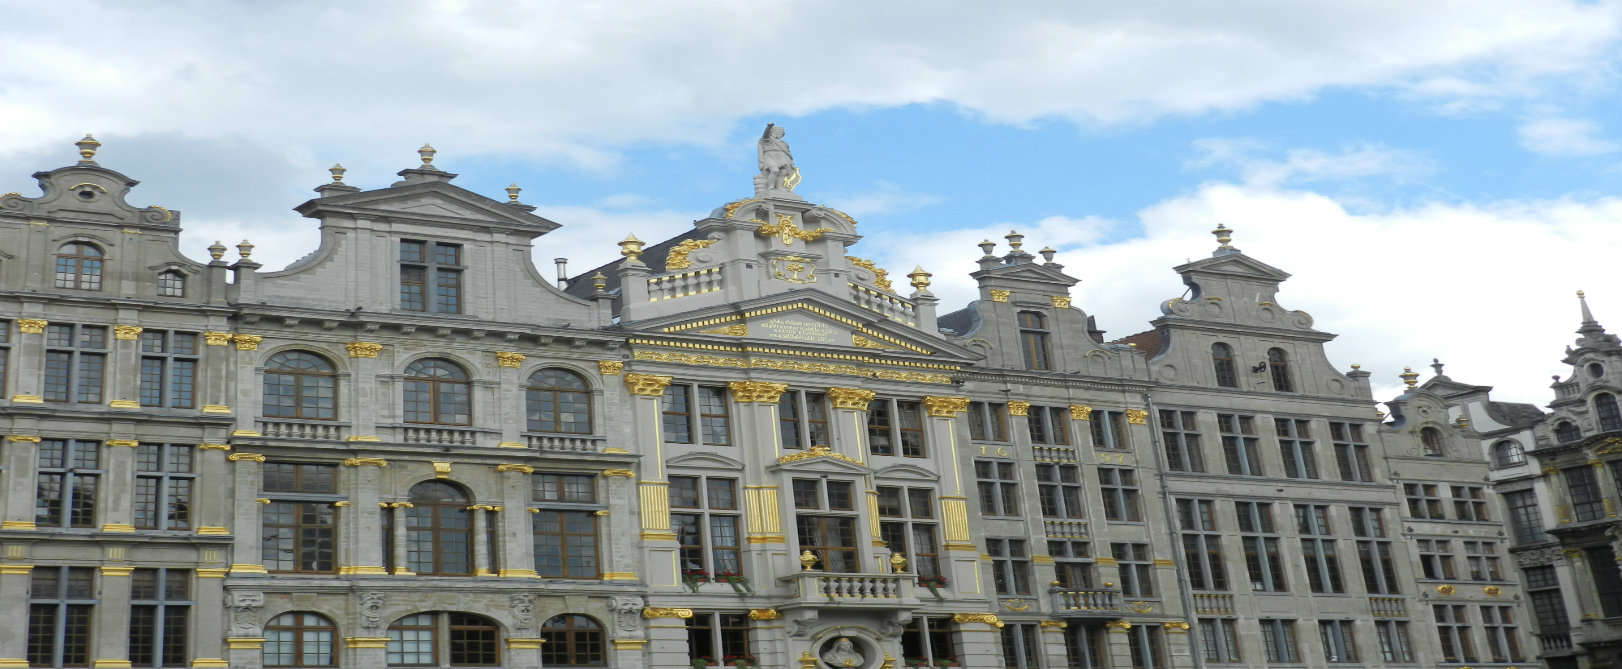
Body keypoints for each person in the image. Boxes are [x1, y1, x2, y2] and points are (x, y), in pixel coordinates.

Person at [758, 123, 798, 190]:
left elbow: (788, 153)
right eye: (775, 131)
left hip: (783, 157)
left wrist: (791, 163)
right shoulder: (768, 139)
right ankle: (771, 186)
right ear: (771, 132)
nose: (778, 133)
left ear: (782, 134)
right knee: (774, 170)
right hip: (771, 155)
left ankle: (779, 186)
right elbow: (765, 135)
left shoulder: (784, 144)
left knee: (783, 172)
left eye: (780, 132)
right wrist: (769, 127)